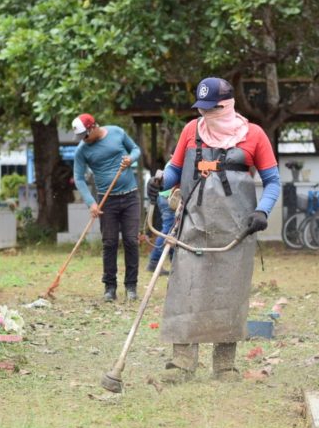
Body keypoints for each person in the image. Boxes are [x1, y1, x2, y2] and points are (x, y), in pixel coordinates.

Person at [147, 77, 280, 382]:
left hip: (236, 229)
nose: (206, 115)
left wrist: (262, 210)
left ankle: (225, 366)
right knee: (185, 289)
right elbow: (175, 170)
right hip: (193, 222)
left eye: (212, 109)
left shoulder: (254, 135)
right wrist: (160, 183)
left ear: (227, 105)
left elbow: (272, 181)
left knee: (228, 293)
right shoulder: (191, 131)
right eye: (202, 109)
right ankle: (181, 365)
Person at [72, 113, 142, 302]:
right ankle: (110, 287)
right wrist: (91, 202)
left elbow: (136, 149)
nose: (83, 140)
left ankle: (131, 286)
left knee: (131, 241)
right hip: (106, 201)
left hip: (130, 197)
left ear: (93, 127)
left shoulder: (117, 132)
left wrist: (131, 159)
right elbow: (78, 177)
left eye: (85, 135)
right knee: (109, 243)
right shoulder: (82, 150)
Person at [146, 163, 176, 275]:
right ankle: (154, 261)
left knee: (173, 231)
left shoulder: (171, 163)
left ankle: (174, 262)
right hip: (167, 198)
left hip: (166, 197)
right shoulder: (174, 163)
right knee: (168, 230)